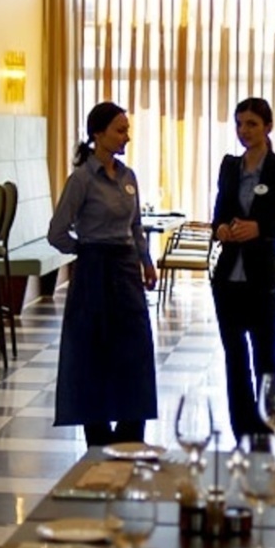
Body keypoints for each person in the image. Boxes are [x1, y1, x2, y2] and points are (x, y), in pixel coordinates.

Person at [47, 102, 159, 446]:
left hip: (126, 270)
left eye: (127, 130)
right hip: (94, 273)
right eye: (120, 130)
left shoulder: (128, 177)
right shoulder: (81, 179)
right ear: (98, 133)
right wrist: (84, 250)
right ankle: (97, 437)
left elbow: (136, 225)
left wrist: (146, 261)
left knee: (134, 351)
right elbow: (57, 232)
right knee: (92, 351)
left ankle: (131, 435)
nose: (126, 137)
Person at [210, 97, 275, 440]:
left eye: (252, 124)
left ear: (268, 127)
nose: (244, 131)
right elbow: (218, 216)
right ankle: (242, 433)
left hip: (264, 279)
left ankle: (272, 433)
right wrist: (221, 228)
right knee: (234, 359)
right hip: (227, 279)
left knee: (266, 359)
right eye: (239, 124)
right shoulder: (230, 166)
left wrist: (262, 228)